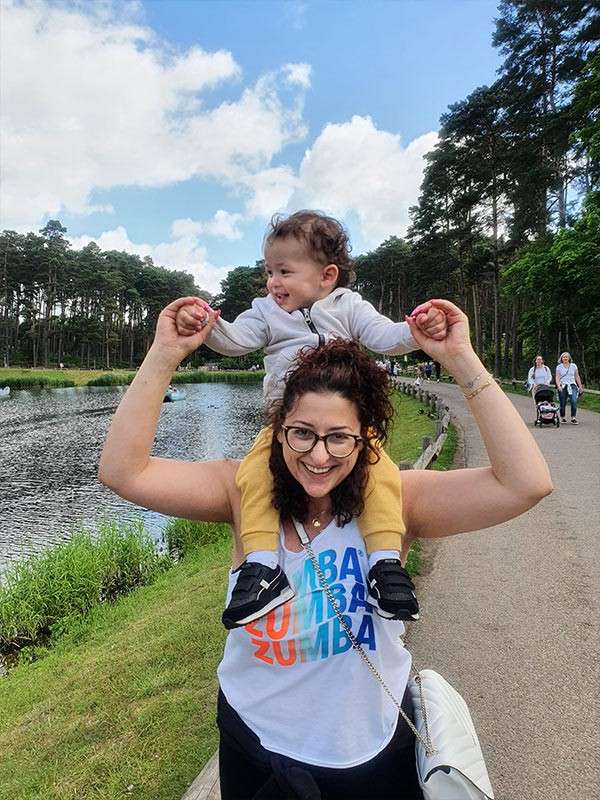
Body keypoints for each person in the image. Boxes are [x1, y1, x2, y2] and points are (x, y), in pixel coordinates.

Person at [98, 297, 551, 799]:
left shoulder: (399, 501)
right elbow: (124, 471)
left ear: (365, 441)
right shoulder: (241, 492)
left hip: (372, 753)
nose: (317, 455)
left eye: (339, 438)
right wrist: (165, 354)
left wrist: (461, 360)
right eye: (301, 434)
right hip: (257, 747)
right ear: (277, 431)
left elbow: (524, 484)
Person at [174, 211, 448, 630]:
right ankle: (263, 565)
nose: (272, 282)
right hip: (287, 426)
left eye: (284, 271)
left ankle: (385, 564)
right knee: (255, 475)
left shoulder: (349, 307)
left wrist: (417, 331)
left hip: (344, 425)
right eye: (269, 271)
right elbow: (235, 340)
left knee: (381, 477)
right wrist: (208, 326)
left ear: (327, 276)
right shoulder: (266, 313)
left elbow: (384, 337)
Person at [555, 352, 584, 424]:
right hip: (563, 385)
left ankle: (573, 417)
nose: (565, 358)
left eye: (566, 357)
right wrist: (559, 386)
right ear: (561, 358)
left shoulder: (574, 366)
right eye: (563, 357)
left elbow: (577, 376)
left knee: (573, 400)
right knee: (562, 402)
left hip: (572, 385)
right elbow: (557, 377)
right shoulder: (559, 367)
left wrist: (580, 386)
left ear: (569, 358)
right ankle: (563, 417)